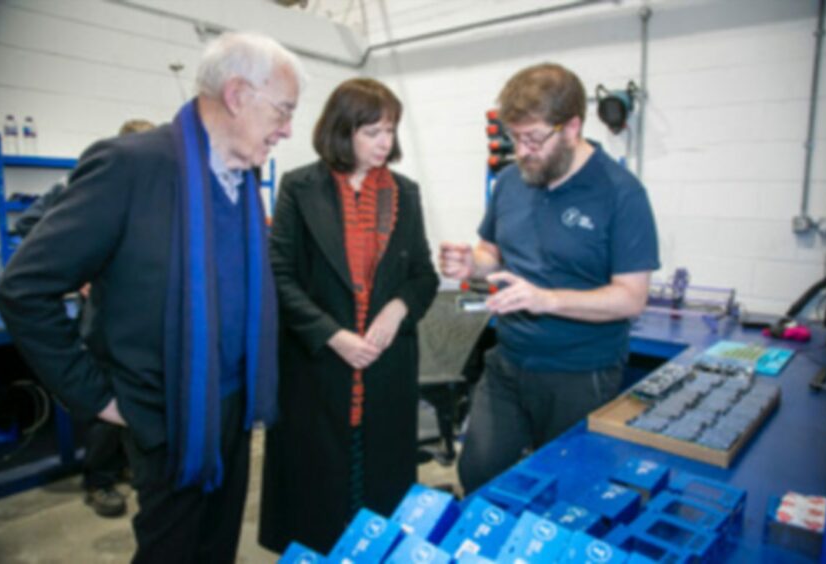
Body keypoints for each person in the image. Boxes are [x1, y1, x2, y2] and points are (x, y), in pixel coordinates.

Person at [0, 32, 303, 562]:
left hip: (231, 406)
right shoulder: (132, 166)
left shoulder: (242, 178)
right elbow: (24, 289)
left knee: (217, 546)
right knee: (172, 549)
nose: (287, 128)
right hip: (165, 409)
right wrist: (97, 397)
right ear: (236, 95)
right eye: (283, 110)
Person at [440, 63, 660, 494]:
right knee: (478, 475)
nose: (522, 151)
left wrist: (549, 300)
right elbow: (493, 254)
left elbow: (632, 298)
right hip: (509, 361)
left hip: (580, 374)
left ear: (572, 126)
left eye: (533, 139)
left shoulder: (621, 193)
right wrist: (474, 263)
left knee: (565, 494)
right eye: (514, 138)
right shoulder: (510, 182)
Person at [258, 77, 439, 554]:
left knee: (379, 493)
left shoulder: (405, 193)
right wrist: (331, 334)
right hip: (317, 369)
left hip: (385, 371)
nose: (386, 143)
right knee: (316, 499)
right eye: (373, 131)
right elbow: (277, 274)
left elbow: (424, 275)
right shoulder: (300, 187)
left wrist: (398, 308)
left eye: (391, 130)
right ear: (343, 130)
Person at [13, 118, 156, 518]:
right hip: (102, 315)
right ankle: (99, 481)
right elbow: (29, 225)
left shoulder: (148, 194)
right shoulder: (81, 185)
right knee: (105, 399)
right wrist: (82, 269)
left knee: (133, 398)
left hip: (136, 318)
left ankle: (125, 465)